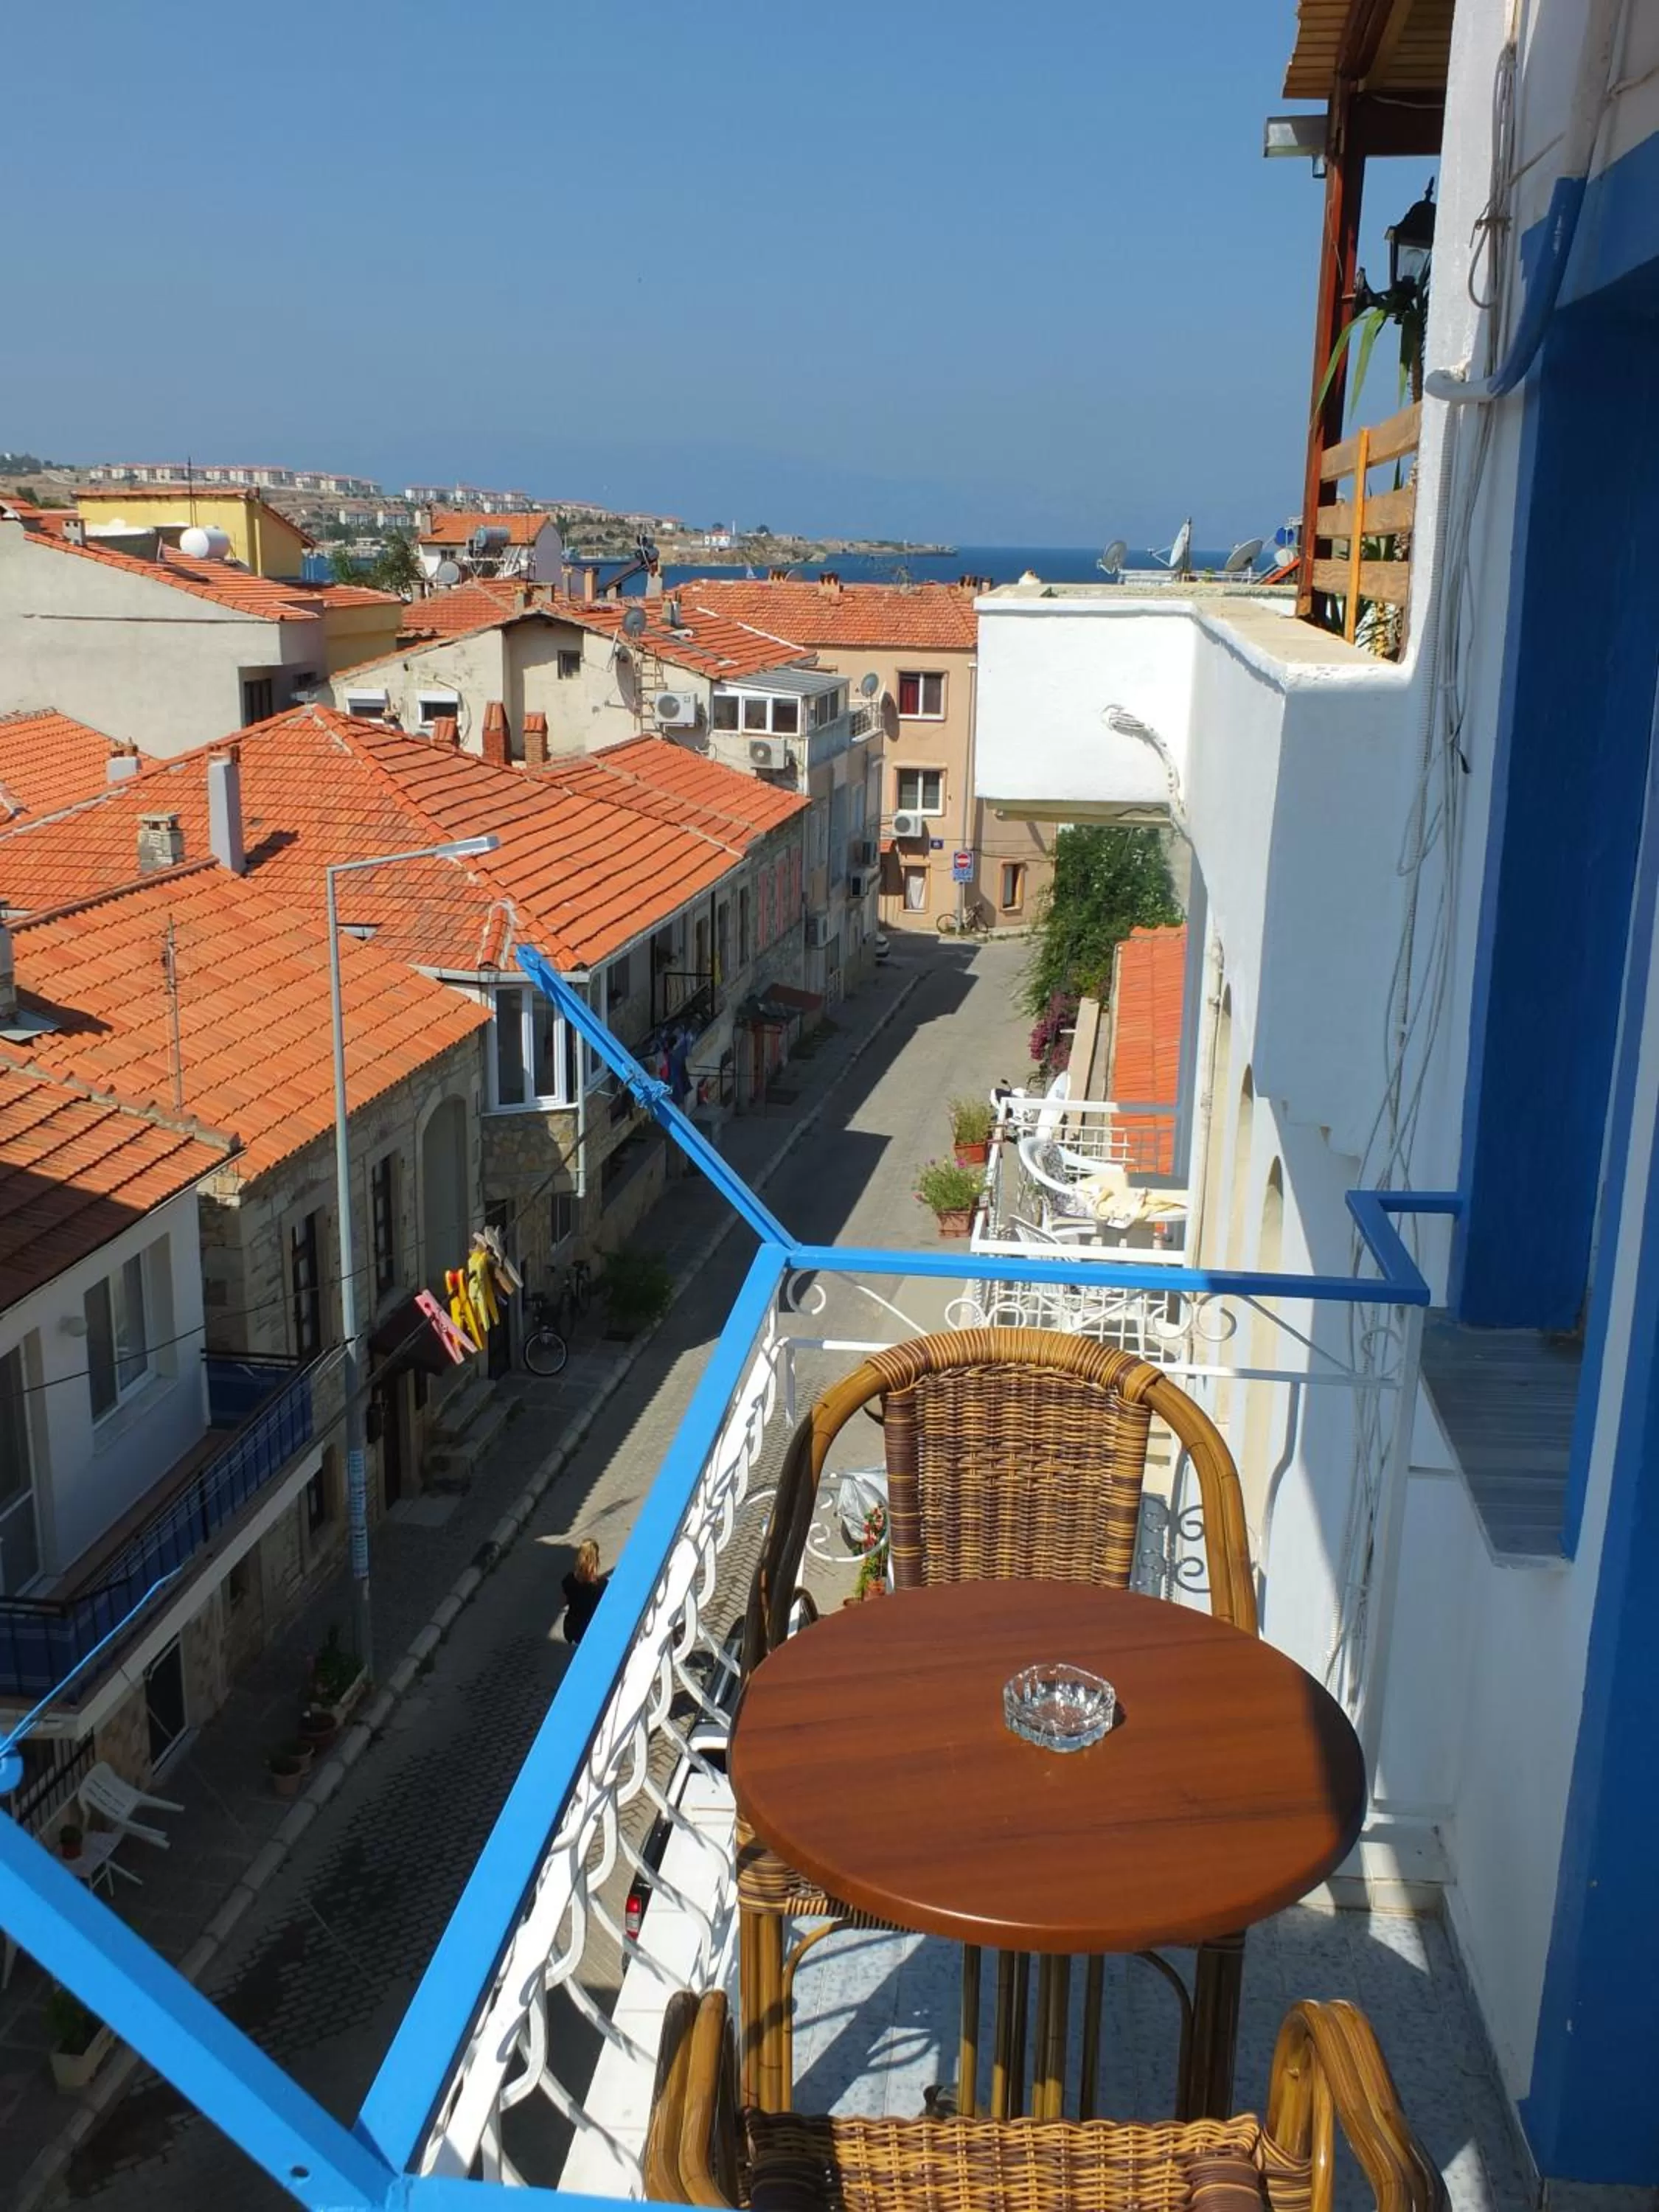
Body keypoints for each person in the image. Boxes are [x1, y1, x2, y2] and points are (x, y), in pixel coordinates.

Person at [562, 1539, 608, 1646]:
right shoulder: (602, 1585)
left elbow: (565, 1601)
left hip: (573, 1629)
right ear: (596, 1559)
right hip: (592, 1631)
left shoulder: (569, 1580)